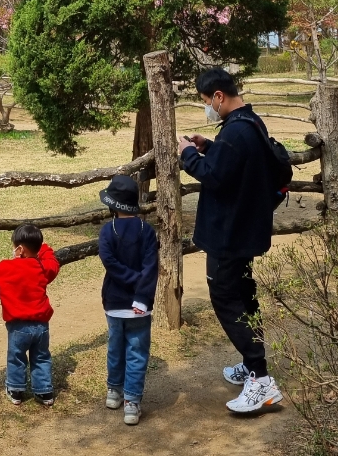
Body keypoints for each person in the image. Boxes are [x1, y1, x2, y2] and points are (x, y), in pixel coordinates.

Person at [178, 66, 284, 415]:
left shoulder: (236, 133)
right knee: (244, 295)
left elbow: (215, 176)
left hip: (229, 234)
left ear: (219, 97)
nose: (207, 107)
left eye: (207, 101)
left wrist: (188, 155)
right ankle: (251, 363)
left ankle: (261, 379)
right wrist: (210, 146)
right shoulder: (248, 123)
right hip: (245, 229)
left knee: (226, 299)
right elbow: (234, 164)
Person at [97, 173, 158, 427]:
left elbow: (109, 263)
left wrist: (129, 278)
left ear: (113, 205)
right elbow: (151, 266)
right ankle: (132, 403)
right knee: (137, 353)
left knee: (115, 348)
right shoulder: (147, 231)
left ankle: (114, 391)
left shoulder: (106, 231)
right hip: (139, 306)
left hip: (114, 303)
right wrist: (141, 291)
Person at [0, 223, 59, 406]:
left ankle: (16, 390)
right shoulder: (41, 267)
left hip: (18, 327)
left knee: (16, 357)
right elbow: (53, 264)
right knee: (41, 357)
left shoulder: (8, 268)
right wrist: (44, 248)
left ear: (19, 249)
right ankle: (45, 391)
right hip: (41, 326)